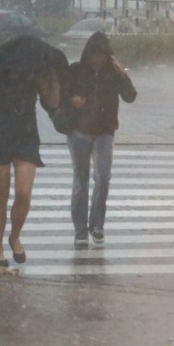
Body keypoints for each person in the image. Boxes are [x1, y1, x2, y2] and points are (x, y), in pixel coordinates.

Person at [0, 46, 61, 267]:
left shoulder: (35, 72)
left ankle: (14, 236)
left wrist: (52, 78)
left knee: (23, 193)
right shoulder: (0, 68)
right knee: (0, 192)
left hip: (26, 131)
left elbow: (53, 102)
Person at [65, 31, 137, 247]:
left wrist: (122, 73)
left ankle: (97, 224)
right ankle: (80, 230)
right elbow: (59, 96)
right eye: (93, 55)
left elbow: (131, 96)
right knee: (81, 180)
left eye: (102, 55)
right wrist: (72, 100)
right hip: (79, 132)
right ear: (87, 54)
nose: (97, 60)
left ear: (108, 56)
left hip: (105, 132)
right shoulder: (76, 71)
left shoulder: (113, 74)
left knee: (103, 178)